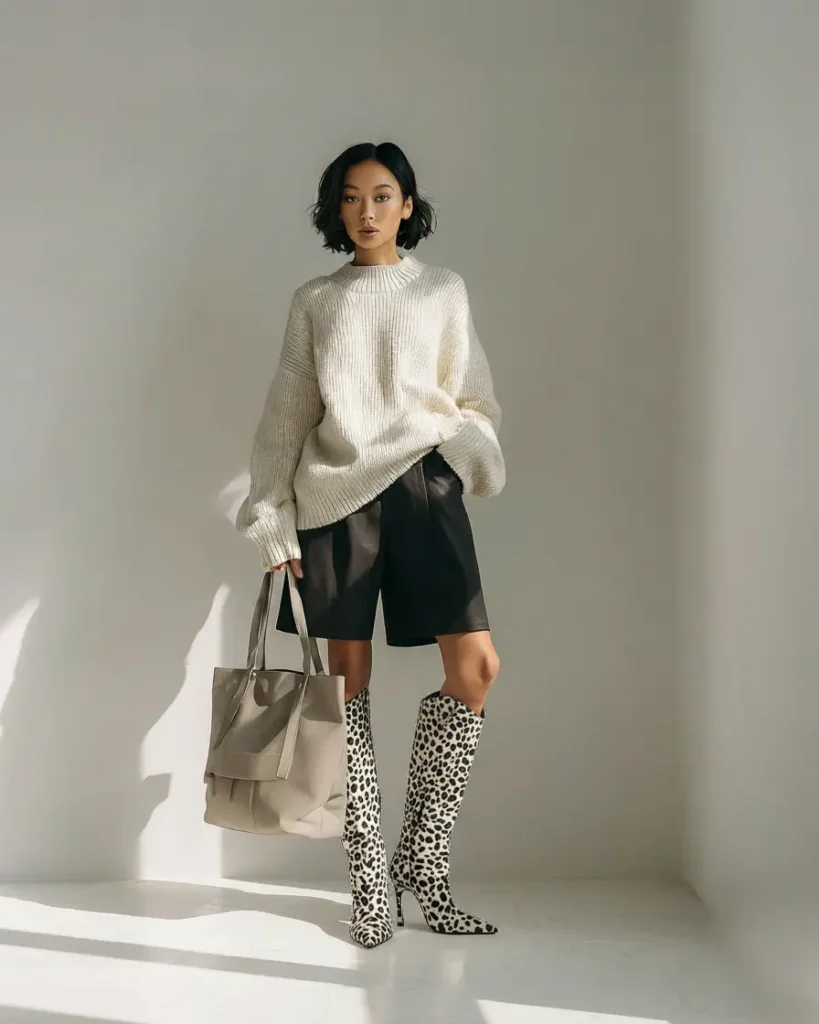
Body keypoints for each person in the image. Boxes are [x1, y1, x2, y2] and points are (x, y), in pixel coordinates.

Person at [236, 141, 505, 948]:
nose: (366, 210)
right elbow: (285, 419)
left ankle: (419, 862)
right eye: (350, 197)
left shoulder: (441, 290)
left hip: (425, 490)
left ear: (409, 205)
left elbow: (476, 399)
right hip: (334, 503)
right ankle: (367, 885)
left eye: (382, 195)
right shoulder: (316, 300)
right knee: (342, 690)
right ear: (334, 209)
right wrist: (269, 517)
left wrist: (457, 449)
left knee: (476, 667)